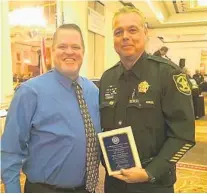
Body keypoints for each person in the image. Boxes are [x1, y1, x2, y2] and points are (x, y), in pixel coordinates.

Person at [99, 6, 195, 193]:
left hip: (154, 183)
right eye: (119, 32)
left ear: (145, 33)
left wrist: (150, 172)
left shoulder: (168, 74)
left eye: (132, 30)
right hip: (115, 183)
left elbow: (183, 135)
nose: (125, 36)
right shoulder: (107, 78)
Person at [1, 24, 101, 193]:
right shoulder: (29, 93)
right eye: (62, 46)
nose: (69, 52)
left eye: (75, 47)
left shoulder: (94, 92)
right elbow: (10, 151)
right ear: (52, 51)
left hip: (87, 189)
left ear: (83, 52)